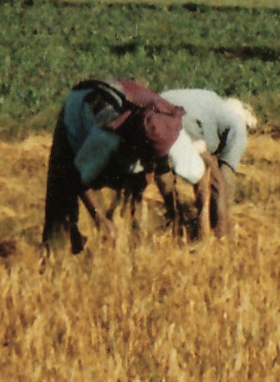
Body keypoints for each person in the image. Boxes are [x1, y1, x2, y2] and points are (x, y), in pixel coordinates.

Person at [41, 77, 206, 254]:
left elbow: (200, 176)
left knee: (136, 183)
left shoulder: (171, 133)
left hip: (122, 100)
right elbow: (77, 177)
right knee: (61, 193)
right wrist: (98, 217)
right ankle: (56, 252)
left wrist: (198, 221)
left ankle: (128, 243)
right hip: (79, 108)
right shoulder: (106, 137)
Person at [159, 89, 257, 241]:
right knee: (210, 176)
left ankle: (176, 221)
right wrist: (224, 219)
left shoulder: (214, 104)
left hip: (153, 109)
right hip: (184, 118)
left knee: (161, 167)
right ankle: (215, 233)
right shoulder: (237, 126)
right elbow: (225, 179)